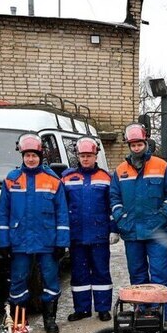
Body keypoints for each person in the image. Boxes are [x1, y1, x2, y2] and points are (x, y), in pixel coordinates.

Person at [0, 133, 69, 333]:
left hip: (47, 241)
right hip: (19, 241)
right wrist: (3, 242)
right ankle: (20, 320)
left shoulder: (53, 181)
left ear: (40, 156)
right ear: (22, 156)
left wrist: (61, 243)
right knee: (18, 281)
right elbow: (3, 213)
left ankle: (50, 318)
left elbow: (62, 213)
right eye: (27, 155)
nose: (30, 159)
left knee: (51, 280)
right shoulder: (12, 180)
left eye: (34, 155)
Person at [110, 123, 167, 321]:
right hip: (132, 231)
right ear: (128, 145)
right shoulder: (120, 171)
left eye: (140, 143)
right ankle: (142, 311)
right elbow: (114, 198)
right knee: (138, 275)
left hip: (158, 232)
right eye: (133, 144)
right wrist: (121, 219)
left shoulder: (161, 166)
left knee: (160, 274)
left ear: (146, 142)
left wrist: (162, 216)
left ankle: (160, 314)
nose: (137, 147)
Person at [61, 137, 119, 323]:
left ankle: (103, 308)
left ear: (95, 156)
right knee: (79, 273)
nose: (86, 159)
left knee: (101, 271)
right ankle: (82, 309)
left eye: (89, 155)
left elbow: (112, 206)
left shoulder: (106, 178)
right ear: (77, 156)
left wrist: (113, 229)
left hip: (99, 235)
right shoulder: (67, 178)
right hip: (76, 236)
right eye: (82, 156)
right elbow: (62, 207)